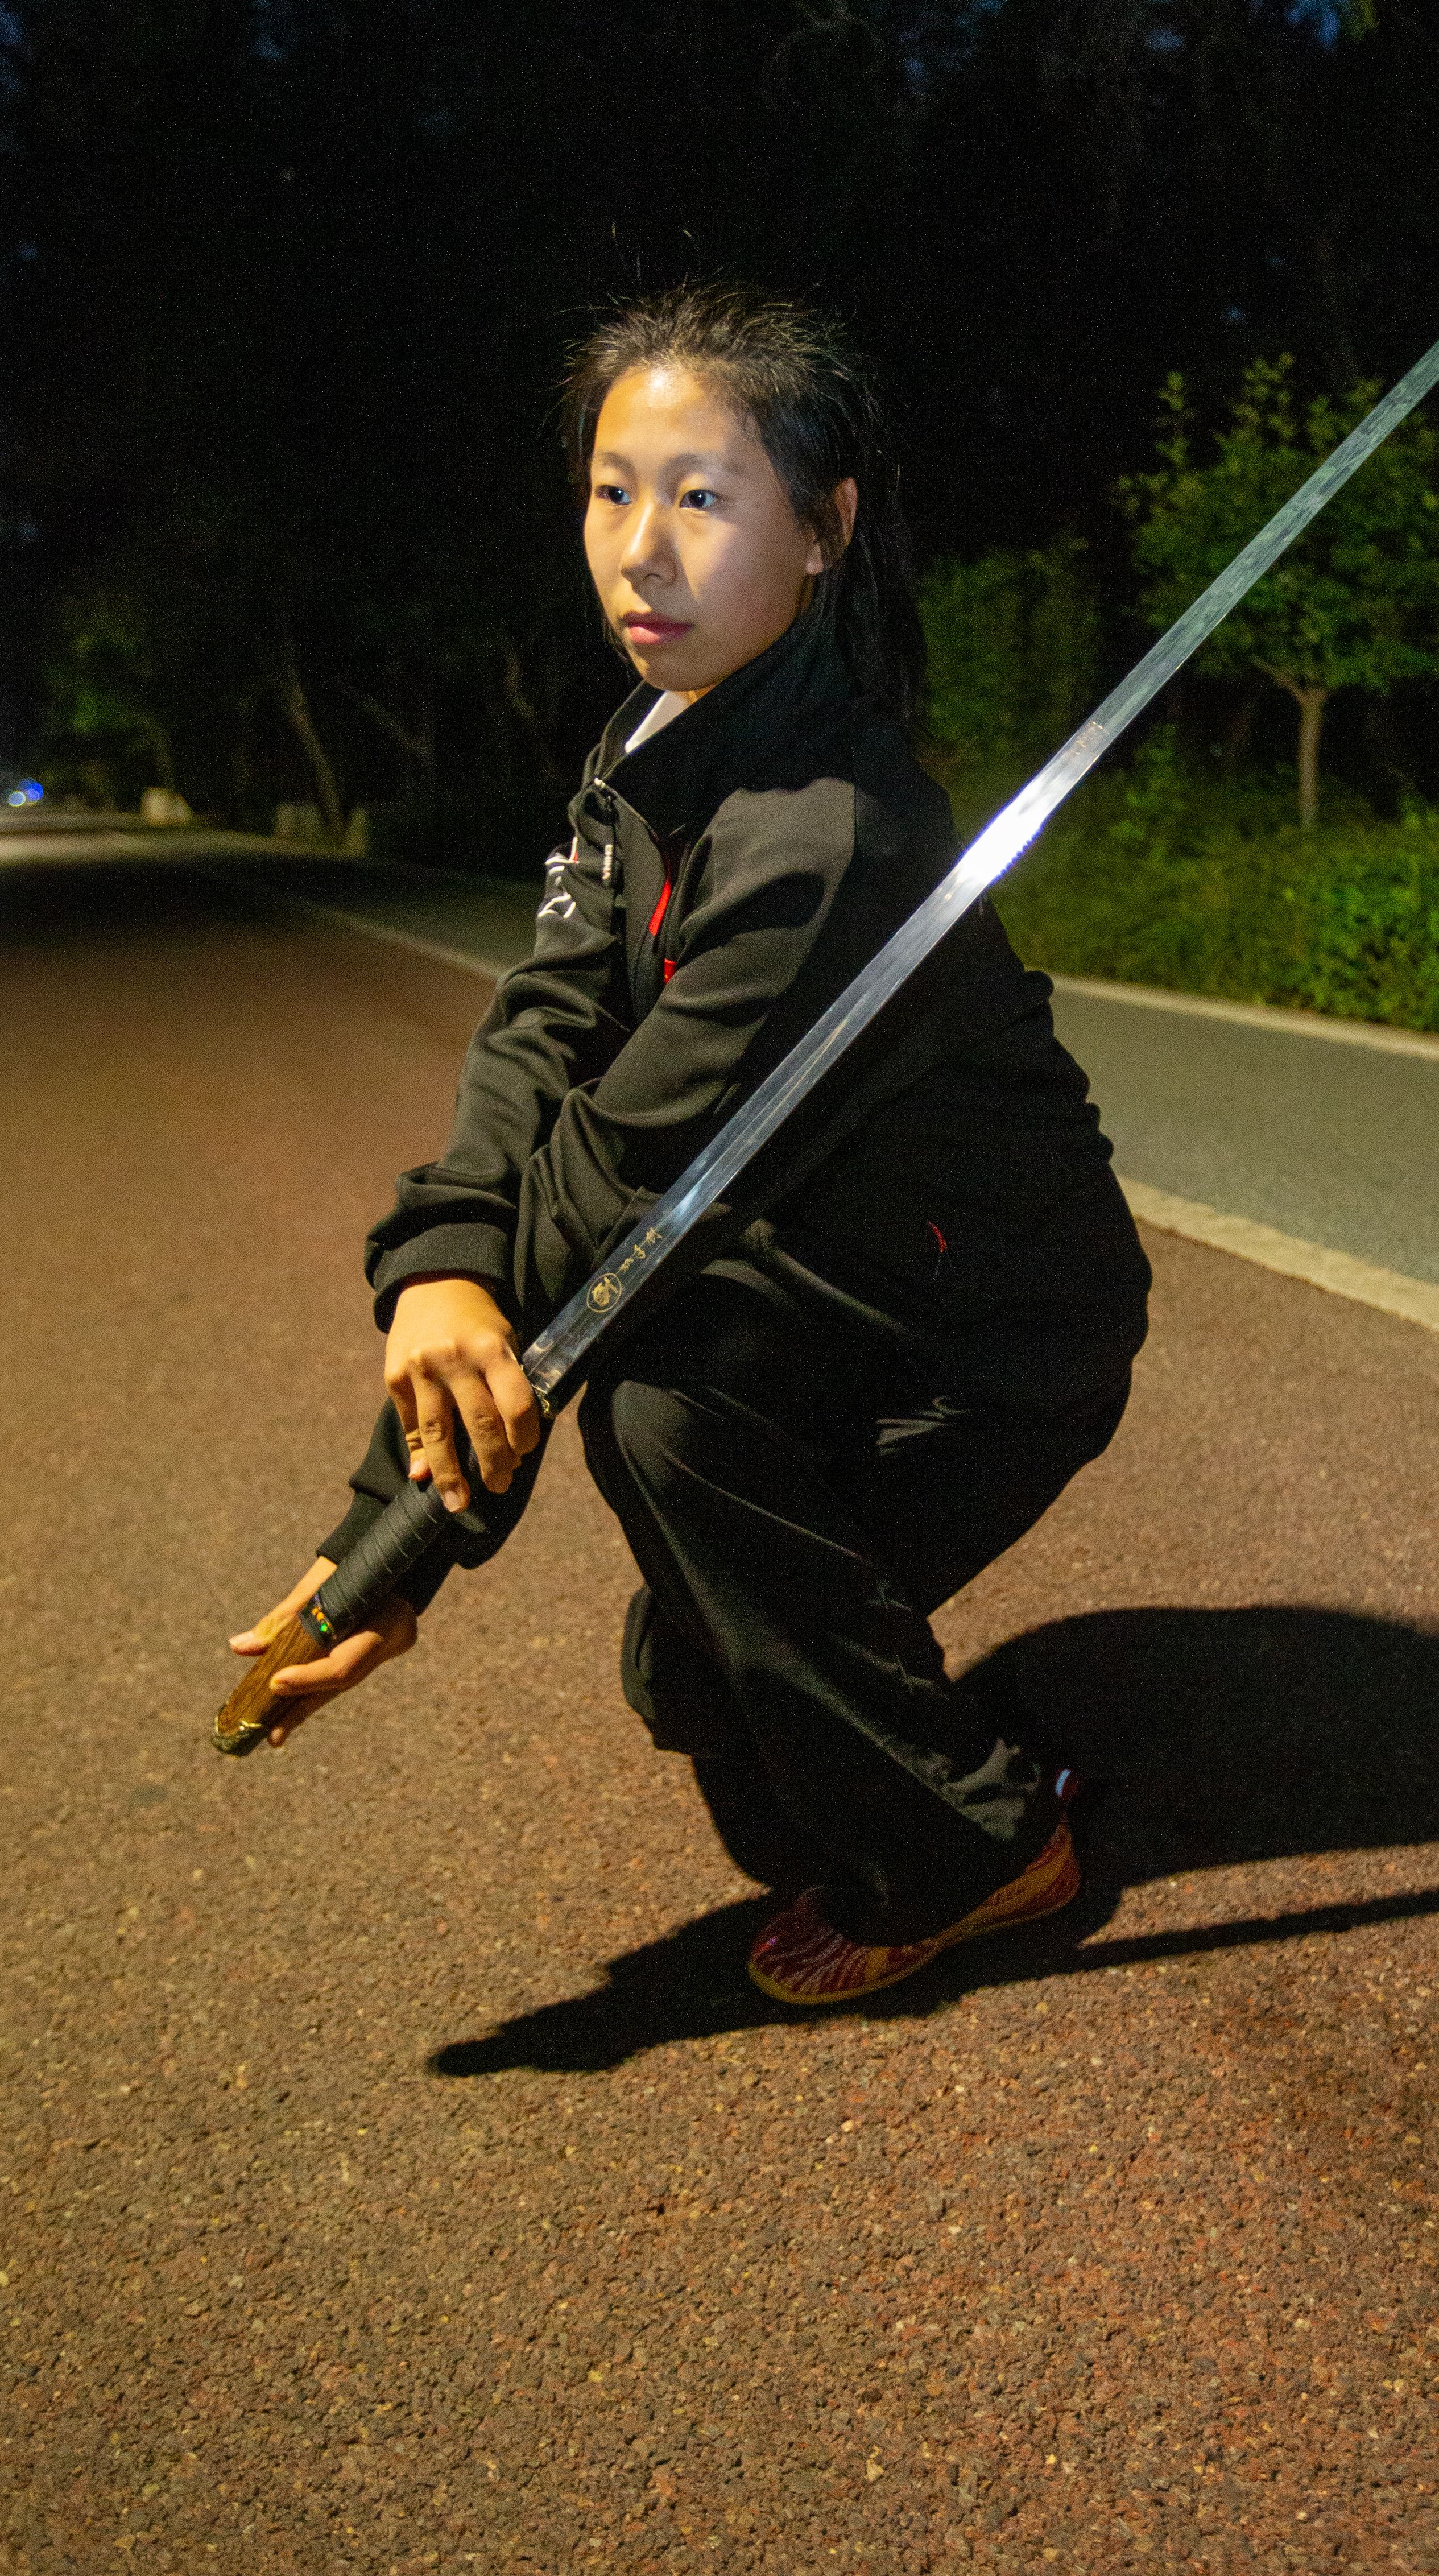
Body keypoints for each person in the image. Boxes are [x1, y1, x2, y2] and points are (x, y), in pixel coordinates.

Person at [229, 282, 1149, 2007]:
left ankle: (985, 1848)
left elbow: (612, 1184)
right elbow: (549, 1021)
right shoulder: (658, 735)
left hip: (989, 1333)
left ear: (825, 529)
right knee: (699, 1662)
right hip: (833, 1264)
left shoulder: (826, 840)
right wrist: (442, 1262)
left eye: (703, 497)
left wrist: (394, 1548)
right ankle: (875, 1703)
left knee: (665, 1428)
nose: (639, 551)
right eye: (611, 491)